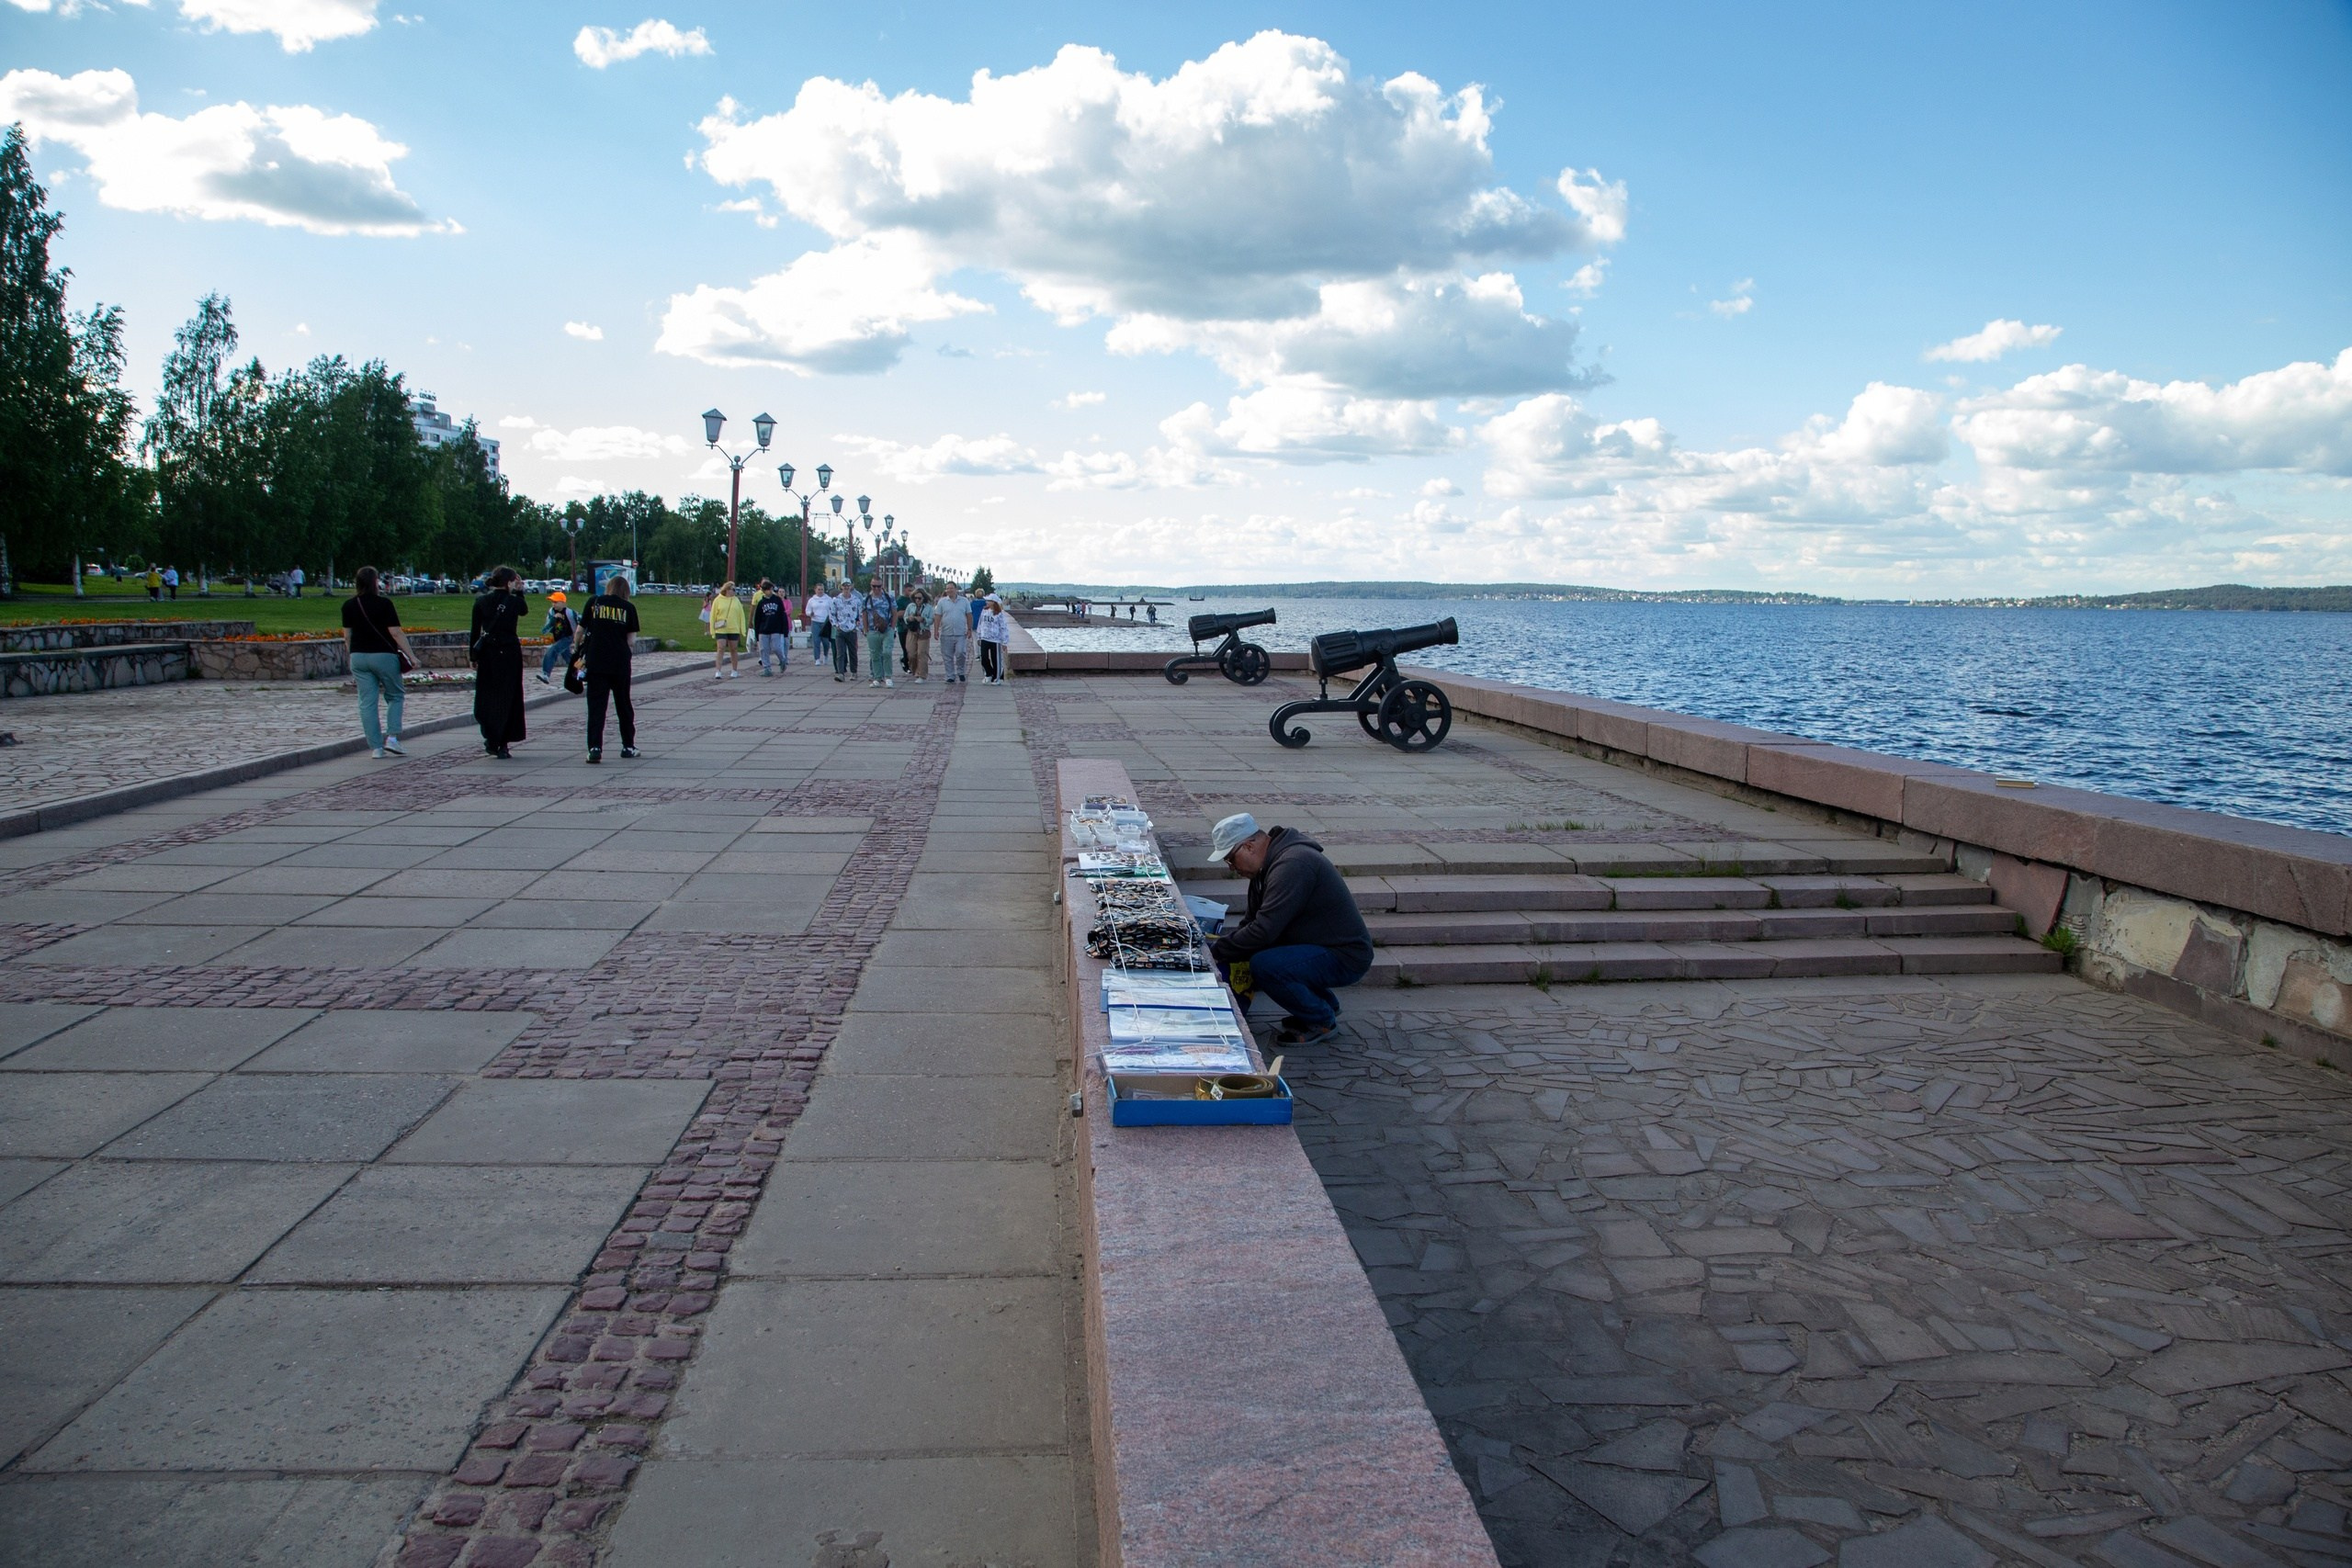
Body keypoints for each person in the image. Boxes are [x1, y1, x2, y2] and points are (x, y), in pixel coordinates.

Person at [1205, 813, 1373, 1047]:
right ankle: (1323, 1005)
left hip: (1345, 955)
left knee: (1266, 965)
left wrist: (1213, 951)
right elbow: (1252, 923)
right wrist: (1224, 947)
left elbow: (1263, 931)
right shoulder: (1266, 868)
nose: (1232, 868)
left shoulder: (1293, 864)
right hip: (1318, 945)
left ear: (1249, 846)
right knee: (1256, 952)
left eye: (1231, 859)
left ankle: (1321, 1020)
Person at [343, 566, 419, 760]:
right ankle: (392, 738)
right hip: (384, 655)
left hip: (358, 656)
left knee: (367, 702)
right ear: (376, 582)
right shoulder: (384, 604)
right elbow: (395, 632)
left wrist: (352, 655)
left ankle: (376, 747)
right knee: (395, 695)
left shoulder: (349, 605)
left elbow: (347, 636)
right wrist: (412, 656)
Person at [572, 573, 642, 763]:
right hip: (619, 662)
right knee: (623, 704)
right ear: (626, 591)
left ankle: (595, 747)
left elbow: (579, 631)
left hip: (596, 662)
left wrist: (577, 648)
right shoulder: (628, 608)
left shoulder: (594, 603)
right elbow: (631, 641)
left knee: (596, 706)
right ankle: (628, 746)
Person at [470, 566, 529, 758]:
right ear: (509, 582)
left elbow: (475, 631)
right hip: (509, 653)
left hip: (488, 652)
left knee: (488, 695)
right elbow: (524, 610)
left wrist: (473, 656)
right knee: (508, 696)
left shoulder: (481, 602)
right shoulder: (512, 602)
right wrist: (520, 592)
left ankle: (492, 736)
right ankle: (503, 742)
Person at [858, 577, 895, 689]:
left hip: (887, 629)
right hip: (872, 630)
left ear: (882, 586)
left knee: (887, 652)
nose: (876, 589)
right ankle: (877, 678)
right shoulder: (867, 599)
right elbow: (864, 615)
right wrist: (866, 630)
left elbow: (895, 613)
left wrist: (893, 628)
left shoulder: (889, 598)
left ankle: (888, 677)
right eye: (874, 586)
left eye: (878, 586)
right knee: (875, 655)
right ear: (871, 586)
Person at [752, 580, 793, 675]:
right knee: (763, 649)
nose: (770, 591)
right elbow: (757, 619)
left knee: (776, 647)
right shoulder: (761, 603)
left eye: (771, 589)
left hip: (776, 629)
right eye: (767, 590)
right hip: (763, 629)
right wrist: (757, 633)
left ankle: (782, 660)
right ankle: (767, 668)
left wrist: (785, 630)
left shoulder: (777, 600)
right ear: (764, 591)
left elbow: (782, 615)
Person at [707, 580, 746, 679]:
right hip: (721, 628)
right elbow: (713, 615)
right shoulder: (718, 600)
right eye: (733, 589)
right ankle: (718, 671)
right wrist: (712, 630)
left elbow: (741, 615)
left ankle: (734, 670)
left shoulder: (736, 600)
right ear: (727, 590)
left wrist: (743, 629)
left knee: (734, 649)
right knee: (721, 648)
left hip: (733, 628)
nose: (734, 591)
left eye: (735, 589)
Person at [537, 591, 577, 683]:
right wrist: (554, 619)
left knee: (552, 651)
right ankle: (582, 674)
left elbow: (582, 622)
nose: (553, 604)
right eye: (552, 602)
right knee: (569, 659)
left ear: (563, 603)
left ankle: (546, 674)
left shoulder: (570, 613)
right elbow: (544, 630)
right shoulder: (551, 612)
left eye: (556, 602)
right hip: (558, 639)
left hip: (568, 637)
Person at [936, 583, 970, 683]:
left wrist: (969, 629)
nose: (949, 590)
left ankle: (961, 672)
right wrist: (936, 630)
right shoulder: (942, 602)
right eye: (947, 589)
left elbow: (969, 615)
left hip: (960, 633)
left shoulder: (964, 601)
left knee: (961, 653)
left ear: (956, 589)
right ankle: (950, 675)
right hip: (946, 633)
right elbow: (938, 616)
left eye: (951, 588)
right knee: (947, 656)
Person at [977, 594, 1013, 683]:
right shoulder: (984, 611)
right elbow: (980, 623)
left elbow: (1003, 627)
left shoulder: (999, 614)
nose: (987, 602)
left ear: (993, 602)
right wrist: (979, 636)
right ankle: (989, 673)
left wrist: (1004, 642)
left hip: (995, 640)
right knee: (984, 658)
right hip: (985, 638)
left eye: (989, 601)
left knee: (995, 659)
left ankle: (997, 677)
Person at [905, 589, 933, 682]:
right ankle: (915, 671)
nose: (917, 600)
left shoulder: (928, 607)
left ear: (924, 598)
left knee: (922, 653)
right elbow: (905, 617)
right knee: (912, 654)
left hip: (923, 632)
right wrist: (909, 619)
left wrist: (923, 619)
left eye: (919, 598)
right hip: (912, 632)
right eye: (915, 598)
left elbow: (931, 620)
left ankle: (922, 675)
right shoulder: (910, 606)